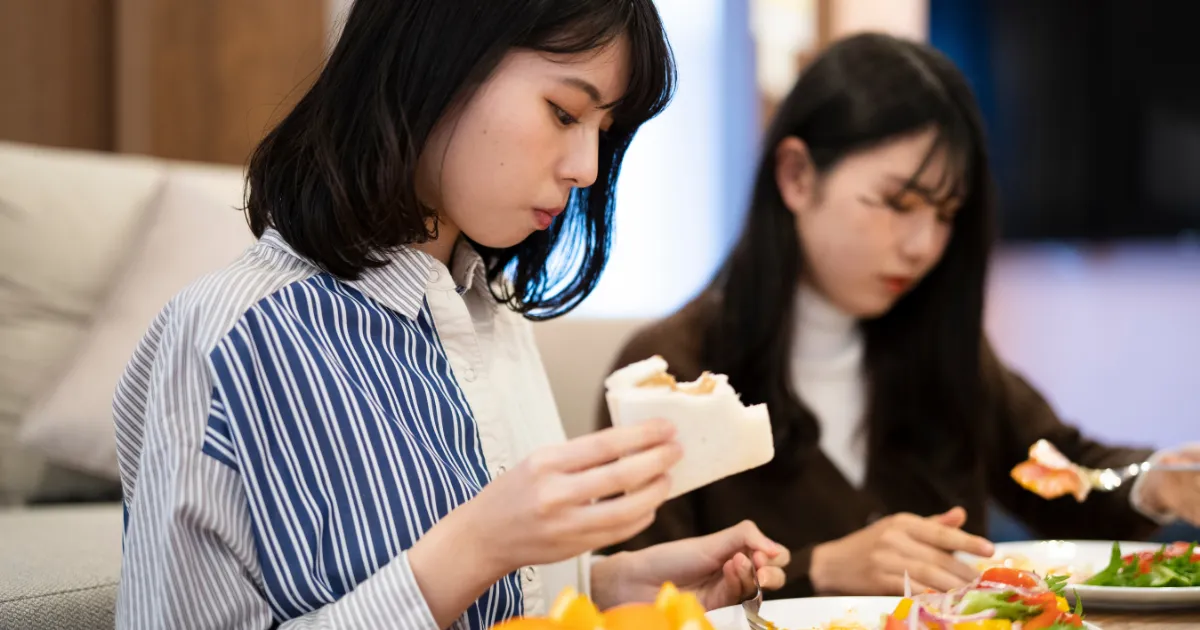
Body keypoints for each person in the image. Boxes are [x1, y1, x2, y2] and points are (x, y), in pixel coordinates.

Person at [111, 1, 792, 628]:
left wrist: (613, 589)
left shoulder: (492, 319)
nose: (587, 167)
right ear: (436, 60)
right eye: (563, 112)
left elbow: (512, 602)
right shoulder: (230, 338)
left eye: (603, 131)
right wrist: (477, 544)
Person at [596, 32, 1200, 600]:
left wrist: (1156, 479)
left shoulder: (936, 343)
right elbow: (639, 599)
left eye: (945, 213)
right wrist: (821, 569)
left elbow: (1066, 474)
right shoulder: (671, 372)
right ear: (797, 177)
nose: (923, 245)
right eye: (898, 203)